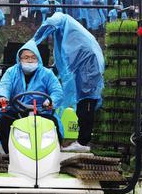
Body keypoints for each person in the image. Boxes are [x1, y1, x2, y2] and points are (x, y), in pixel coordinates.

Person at [33, 12, 104, 152]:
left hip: (89, 73)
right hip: (85, 72)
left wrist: (33, 41)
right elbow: (62, 58)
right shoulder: (69, 33)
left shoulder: (62, 19)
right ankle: (81, 141)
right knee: (83, 107)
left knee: (86, 106)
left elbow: (50, 23)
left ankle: (83, 143)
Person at [0, 40, 64, 154]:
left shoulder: (47, 74)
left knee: (53, 123)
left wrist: (50, 102)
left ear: (38, 59)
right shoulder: (11, 72)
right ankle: (9, 153)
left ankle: (53, 152)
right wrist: (3, 97)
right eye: (26, 57)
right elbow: (4, 86)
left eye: (33, 57)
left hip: (41, 111)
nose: (30, 60)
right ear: (19, 59)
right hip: (16, 110)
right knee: (3, 121)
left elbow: (57, 91)